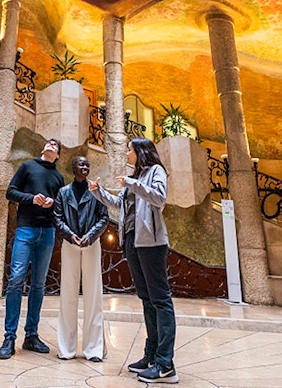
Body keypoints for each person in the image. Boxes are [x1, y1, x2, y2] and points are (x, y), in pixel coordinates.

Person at [89, 138, 177, 384]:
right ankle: (151, 357)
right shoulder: (136, 177)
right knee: (148, 300)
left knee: (160, 300)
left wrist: (132, 183)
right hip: (133, 243)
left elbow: (159, 198)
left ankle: (166, 365)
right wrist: (98, 192)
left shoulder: (155, 172)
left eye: (129, 149)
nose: (127, 153)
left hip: (152, 244)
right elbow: (120, 205)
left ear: (141, 151)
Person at [0, 138, 66, 359]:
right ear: (43, 149)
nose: (51, 145)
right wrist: (32, 199)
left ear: (57, 155)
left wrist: (52, 203)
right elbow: (11, 192)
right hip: (25, 229)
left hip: (47, 232)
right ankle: (9, 337)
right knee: (16, 279)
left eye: (55, 146)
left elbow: (62, 206)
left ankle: (31, 335)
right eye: (49, 143)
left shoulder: (58, 177)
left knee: (38, 284)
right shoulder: (27, 166)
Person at [54, 155, 109, 362]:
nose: (84, 166)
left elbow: (104, 217)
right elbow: (57, 217)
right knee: (67, 295)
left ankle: (93, 349)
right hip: (69, 245)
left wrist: (90, 235)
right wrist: (70, 235)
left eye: (87, 164)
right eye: (80, 163)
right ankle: (66, 348)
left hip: (92, 245)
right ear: (73, 167)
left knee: (93, 296)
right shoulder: (63, 192)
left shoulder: (95, 191)